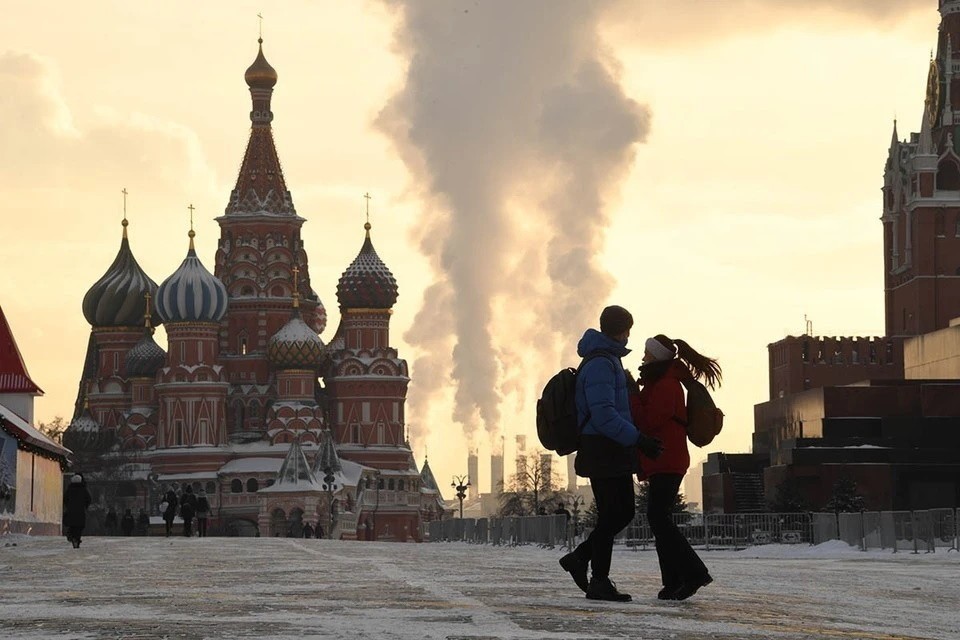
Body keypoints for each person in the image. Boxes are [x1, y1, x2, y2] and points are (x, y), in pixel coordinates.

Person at [559, 305, 662, 602]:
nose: (629, 336)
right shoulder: (601, 363)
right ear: (620, 330)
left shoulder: (606, 360)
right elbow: (604, 415)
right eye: (627, 329)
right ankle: (598, 579)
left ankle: (582, 560)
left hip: (609, 446)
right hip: (602, 446)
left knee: (620, 512)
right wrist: (638, 438)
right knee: (613, 514)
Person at [633, 334, 719, 601]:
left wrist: (632, 396)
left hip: (666, 460)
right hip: (665, 459)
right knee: (660, 520)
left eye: (647, 353)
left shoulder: (666, 385)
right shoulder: (663, 382)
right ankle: (672, 582)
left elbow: (648, 421)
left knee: (659, 519)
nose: (643, 357)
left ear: (656, 356)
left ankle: (694, 573)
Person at [63, 474, 92, 549]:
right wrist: (85, 506)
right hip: (80, 511)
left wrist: (68, 506)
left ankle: (72, 536)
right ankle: (77, 539)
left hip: (71, 511)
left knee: (72, 525)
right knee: (79, 526)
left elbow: (65, 499)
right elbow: (88, 499)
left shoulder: (69, 489)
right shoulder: (83, 489)